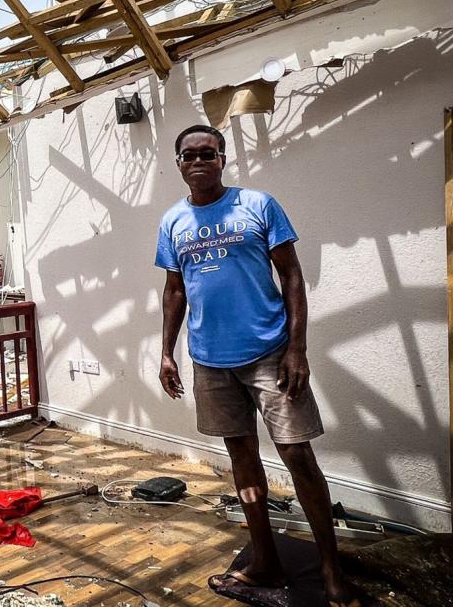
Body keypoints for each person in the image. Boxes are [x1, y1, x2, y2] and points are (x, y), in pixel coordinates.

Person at [154, 124, 361, 607]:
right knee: (242, 459)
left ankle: (331, 571)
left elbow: (291, 275)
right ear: (179, 164)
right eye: (189, 155)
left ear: (222, 157)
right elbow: (175, 290)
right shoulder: (173, 222)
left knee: (298, 457)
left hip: (270, 353)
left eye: (208, 152)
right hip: (210, 360)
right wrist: (166, 350)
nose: (198, 160)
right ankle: (265, 559)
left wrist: (297, 348)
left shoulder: (258, 205)